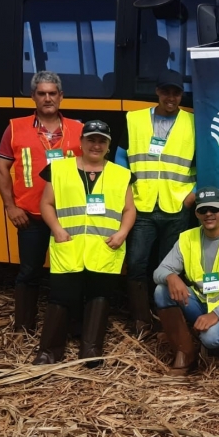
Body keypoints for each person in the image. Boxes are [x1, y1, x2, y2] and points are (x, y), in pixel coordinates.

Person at [33, 120, 136, 367]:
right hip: (69, 244)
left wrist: (122, 233)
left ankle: (91, 350)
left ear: (109, 146)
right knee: (60, 296)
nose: (96, 145)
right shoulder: (59, 169)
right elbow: (46, 203)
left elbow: (129, 209)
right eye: (91, 139)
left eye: (102, 141)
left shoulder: (121, 174)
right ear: (81, 142)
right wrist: (56, 229)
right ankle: (49, 352)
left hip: (105, 247)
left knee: (99, 296)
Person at [0, 71, 83, 332]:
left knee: (68, 273)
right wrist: (10, 207)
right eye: (42, 93)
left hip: (67, 217)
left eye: (52, 93)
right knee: (29, 273)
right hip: (29, 216)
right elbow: (1, 169)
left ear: (61, 96)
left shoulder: (78, 129)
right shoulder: (15, 128)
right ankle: (24, 328)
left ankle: (67, 328)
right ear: (33, 96)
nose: (47, 98)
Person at [116, 69, 196, 335]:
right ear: (157, 92)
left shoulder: (193, 122)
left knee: (168, 268)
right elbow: (120, 157)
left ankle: (166, 320)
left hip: (177, 207)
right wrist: (127, 191)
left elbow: (205, 163)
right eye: (166, 92)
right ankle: (141, 320)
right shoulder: (135, 119)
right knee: (136, 264)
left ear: (181, 95)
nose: (171, 97)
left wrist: (192, 196)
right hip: (143, 206)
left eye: (176, 93)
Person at [152, 187, 219, 375]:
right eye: (203, 210)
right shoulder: (187, 238)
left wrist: (216, 314)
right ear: (196, 214)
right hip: (201, 304)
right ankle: (185, 354)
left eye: (214, 209)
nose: (208, 214)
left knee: (211, 338)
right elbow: (159, 271)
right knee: (161, 290)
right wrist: (171, 276)